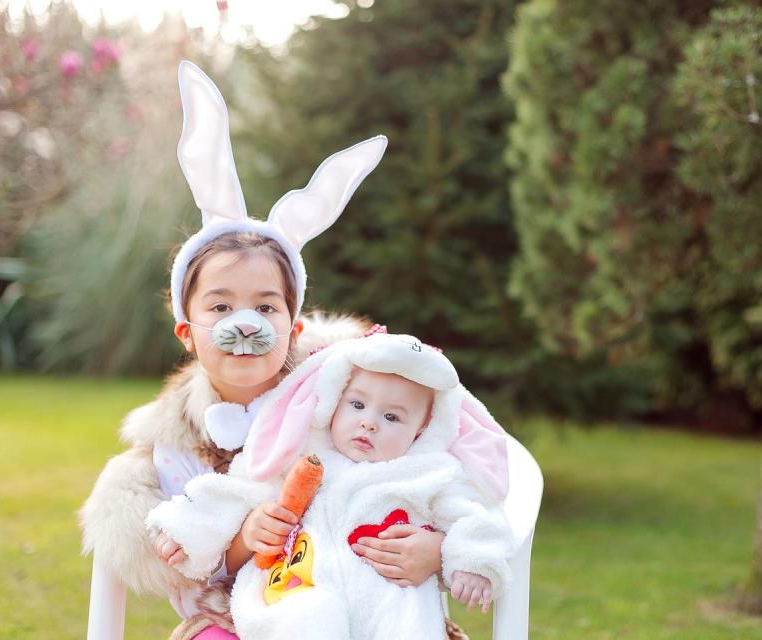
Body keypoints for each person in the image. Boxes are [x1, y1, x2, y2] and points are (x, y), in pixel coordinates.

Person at [80, 61, 451, 640]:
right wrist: (240, 543)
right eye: (221, 308)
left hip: (371, 609)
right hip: (239, 618)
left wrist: (437, 548)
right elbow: (191, 567)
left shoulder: (355, 395)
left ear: (295, 326)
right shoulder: (178, 451)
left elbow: (445, 471)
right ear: (187, 332)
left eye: (266, 307)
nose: (245, 325)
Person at [146, 330, 514, 640]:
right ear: (334, 402)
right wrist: (186, 529)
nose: (369, 423)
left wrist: (469, 559)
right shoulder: (302, 457)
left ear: (421, 430)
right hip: (300, 597)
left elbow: (475, 517)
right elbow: (239, 492)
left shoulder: (430, 473)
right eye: (357, 405)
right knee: (309, 616)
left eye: (391, 416)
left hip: (390, 608)